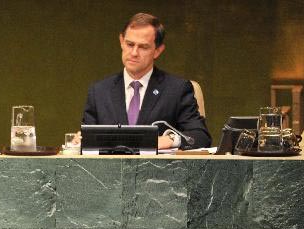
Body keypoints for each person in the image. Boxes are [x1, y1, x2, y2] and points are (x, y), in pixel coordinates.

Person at [82, 13, 211, 150]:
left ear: (157, 51)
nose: (134, 53)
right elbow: (87, 140)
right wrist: (81, 141)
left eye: (143, 47)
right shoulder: (99, 91)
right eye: (130, 44)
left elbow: (200, 137)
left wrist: (170, 139)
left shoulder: (177, 89)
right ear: (121, 41)